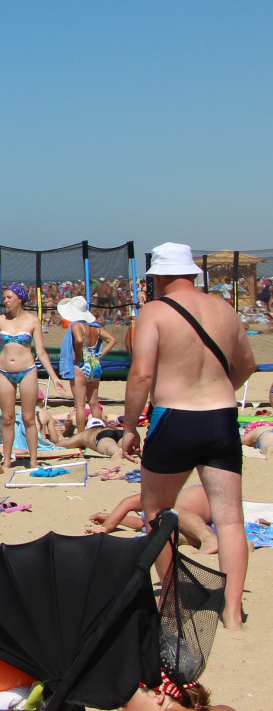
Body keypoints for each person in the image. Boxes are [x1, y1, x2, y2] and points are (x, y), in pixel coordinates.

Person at [125, 242, 255, 631]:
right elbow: (246, 365)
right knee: (230, 520)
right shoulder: (225, 310)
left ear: (159, 276)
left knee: (157, 513)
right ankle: (232, 611)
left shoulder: (155, 312)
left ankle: (174, 602)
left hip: (174, 417)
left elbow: (142, 375)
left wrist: (130, 427)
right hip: (220, 416)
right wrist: (217, 389)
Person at [0, 283, 65, 468]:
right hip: (3, 371)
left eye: (9, 297)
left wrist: (54, 377)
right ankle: (7, 461)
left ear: (20, 299)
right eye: (5, 297)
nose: (5, 300)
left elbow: (41, 351)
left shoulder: (32, 321)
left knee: (29, 418)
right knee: (7, 418)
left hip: (27, 370)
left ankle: (33, 460)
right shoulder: (0, 320)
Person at [87, 486, 216, 553]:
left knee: (175, 510)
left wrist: (106, 527)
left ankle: (207, 538)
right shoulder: (153, 516)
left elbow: (127, 503)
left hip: (194, 498)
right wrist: (111, 518)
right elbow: (141, 524)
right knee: (162, 534)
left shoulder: (154, 498)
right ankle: (207, 536)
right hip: (192, 521)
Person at [58, 296, 115, 432]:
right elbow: (112, 340)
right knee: (94, 403)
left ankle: (81, 435)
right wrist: (99, 356)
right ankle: (99, 433)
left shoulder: (77, 325)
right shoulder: (95, 328)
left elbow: (78, 340)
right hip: (95, 364)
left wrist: (78, 354)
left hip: (82, 365)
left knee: (80, 404)